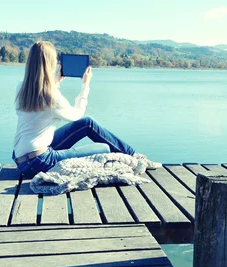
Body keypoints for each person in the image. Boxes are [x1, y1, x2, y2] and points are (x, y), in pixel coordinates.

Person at [13, 40, 136, 179]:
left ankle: (132, 154)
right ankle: (133, 157)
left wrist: (55, 82)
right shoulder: (52, 97)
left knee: (87, 123)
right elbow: (76, 114)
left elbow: (41, 99)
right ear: (51, 64)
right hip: (39, 162)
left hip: (21, 159)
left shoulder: (21, 87)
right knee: (104, 148)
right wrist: (85, 85)